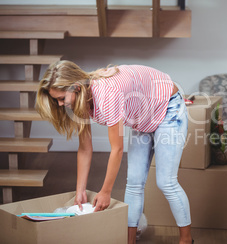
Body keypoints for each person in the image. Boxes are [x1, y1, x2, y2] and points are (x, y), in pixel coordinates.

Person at [36, 61, 193, 244]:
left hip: (167, 107)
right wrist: (80, 191)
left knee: (166, 182)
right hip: (142, 116)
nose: (60, 104)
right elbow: (85, 148)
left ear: (76, 88)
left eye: (62, 98)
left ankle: (186, 240)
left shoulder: (107, 95)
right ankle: (130, 240)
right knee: (134, 182)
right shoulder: (81, 99)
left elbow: (117, 150)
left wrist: (106, 191)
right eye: (56, 100)